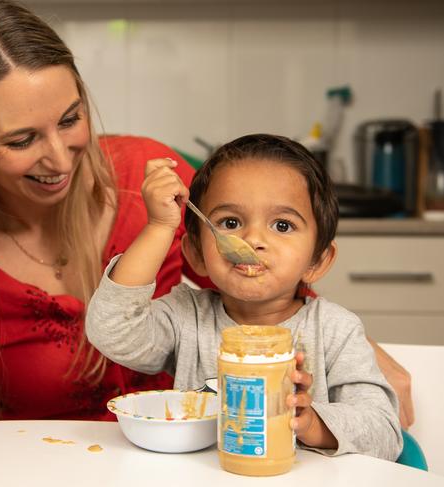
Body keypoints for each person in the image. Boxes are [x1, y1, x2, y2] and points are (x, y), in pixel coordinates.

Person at [0, 0, 412, 453]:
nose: (60, 158)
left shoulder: (148, 176)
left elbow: (259, 271)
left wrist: (347, 350)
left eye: (70, 119)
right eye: (22, 139)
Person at [86, 134, 403, 460]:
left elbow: (384, 433)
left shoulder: (335, 330)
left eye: (282, 225)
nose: (253, 238)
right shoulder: (186, 317)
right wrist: (159, 226)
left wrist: (310, 423)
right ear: (195, 253)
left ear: (317, 261)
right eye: (231, 222)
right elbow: (112, 331)